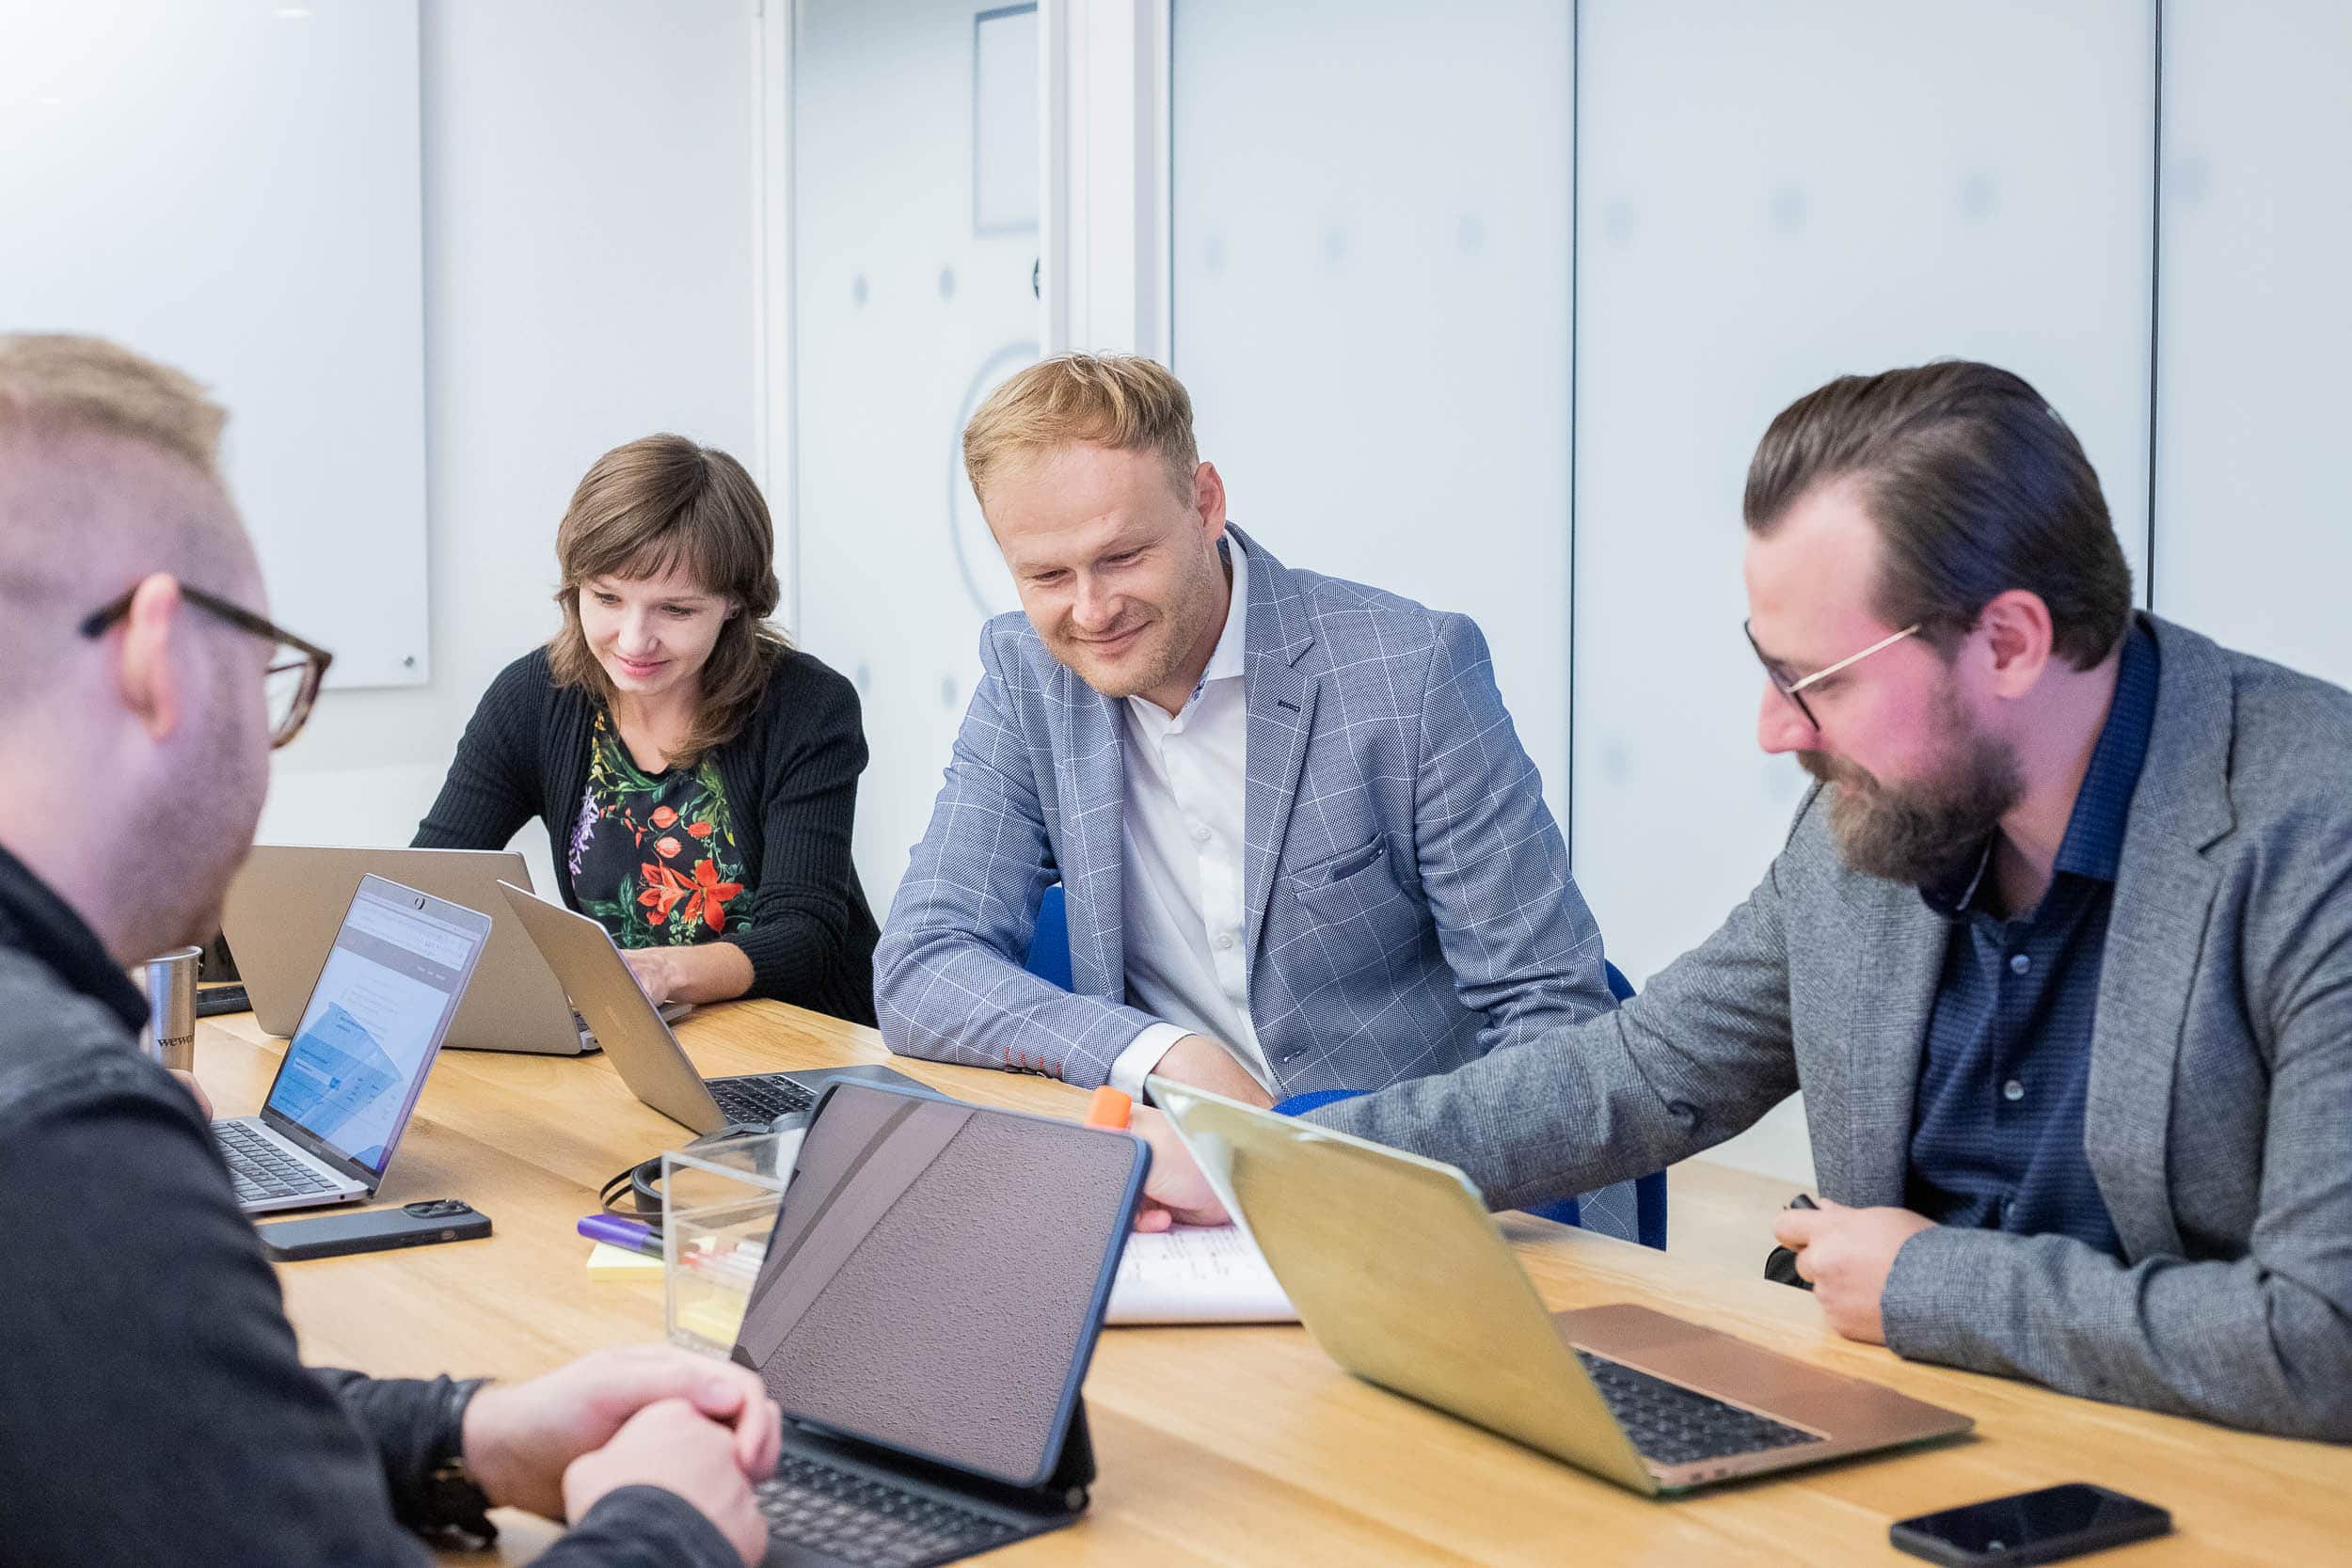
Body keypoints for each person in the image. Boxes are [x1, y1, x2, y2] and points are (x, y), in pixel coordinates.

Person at [1132, 360, 2352, 1443]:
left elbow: (2322, 1337)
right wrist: (1272, 1157)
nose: (1776, 730)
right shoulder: (1867, 818)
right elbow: (1639, 1069)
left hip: (2206, 1470)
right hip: (1905, 1429)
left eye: (1811, 678)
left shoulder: (2314, 834)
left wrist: (1934, 1283)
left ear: (2012, 643)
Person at [0, 332, 781, 1565]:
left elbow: (156, 1429)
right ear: (158, 660)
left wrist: (462, 1430)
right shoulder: (60, 1133)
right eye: (268, 677)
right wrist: (671, 1526)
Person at [874, 353, 1613, 1106]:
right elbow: (921, 961)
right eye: (1047, 577)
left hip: (1401, 1174)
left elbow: (1556, 1014)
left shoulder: (1409, 674)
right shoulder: (1028, 674)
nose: (1092, 611)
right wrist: (1156, 1052)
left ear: (1205, 504)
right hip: (1177, 1166)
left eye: (1122, 556)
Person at [415, 434, 879, 1022]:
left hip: (801, 1041)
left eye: (677, 610)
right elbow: (431, 881)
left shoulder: (806, 704)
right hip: (641, 1032)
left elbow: (803, 936)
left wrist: (656, 972)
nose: (634, 641)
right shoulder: (535, 696)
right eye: (607, 598)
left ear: (736, 603)